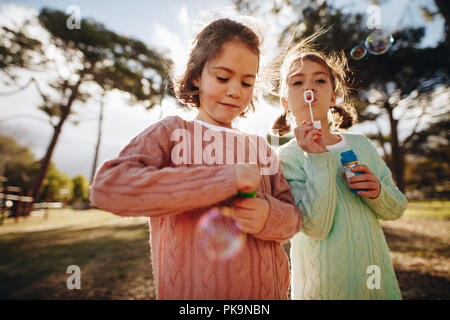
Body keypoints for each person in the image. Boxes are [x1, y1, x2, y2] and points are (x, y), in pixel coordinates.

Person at [90, 17, 302, 300]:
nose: (235, 91)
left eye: (247, 82)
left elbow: (293, 219)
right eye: (223, 77)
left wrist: (268, 215)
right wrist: (222, 179)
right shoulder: (171, 132)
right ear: (195, 76)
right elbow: (108, 189)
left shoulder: (260, 147)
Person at [274, 34, 408, 300]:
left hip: (376, 282)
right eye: (297, 82)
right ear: (285, 103)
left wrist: (378, 192)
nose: (308, 88)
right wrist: (316, 157)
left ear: (333, 96)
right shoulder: (286, 157)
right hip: (324, 289)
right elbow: (316, 226)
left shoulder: (361, 145)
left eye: (320, 80)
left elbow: (397, 207)